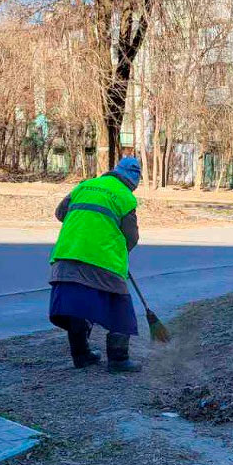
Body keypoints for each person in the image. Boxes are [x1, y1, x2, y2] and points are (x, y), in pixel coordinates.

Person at [48, 156, 143, 373]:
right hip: (102, 261)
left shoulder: (85, 186)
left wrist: (86, 223)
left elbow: (60, 213)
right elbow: (131, 237)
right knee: (120, 307)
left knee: (75, 306)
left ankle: (81, 356)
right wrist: (116, 250)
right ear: (134, 180)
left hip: (66, 257)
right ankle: (118, 360)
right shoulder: (125, 197)